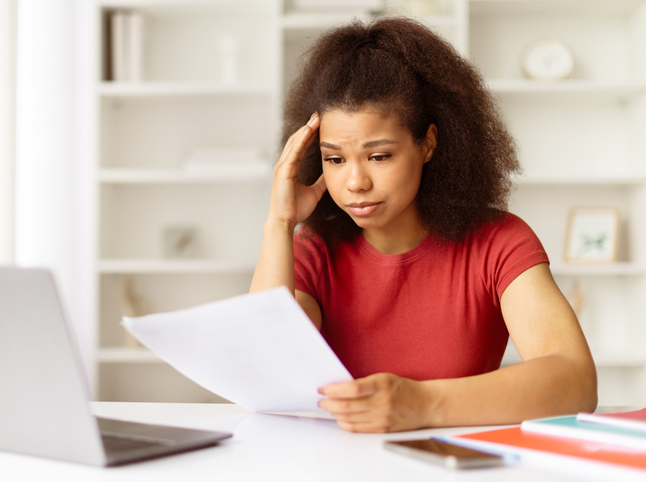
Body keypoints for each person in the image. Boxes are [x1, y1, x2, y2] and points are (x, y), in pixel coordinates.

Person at [250, 16, 597, 433]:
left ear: (428, 143)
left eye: (379, 156)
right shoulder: (313, 250)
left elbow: (575, 382)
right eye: (335, 159)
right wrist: (278, 222)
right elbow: (261, 376)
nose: (356, 182)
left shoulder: (498, 242)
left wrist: (422, 403)